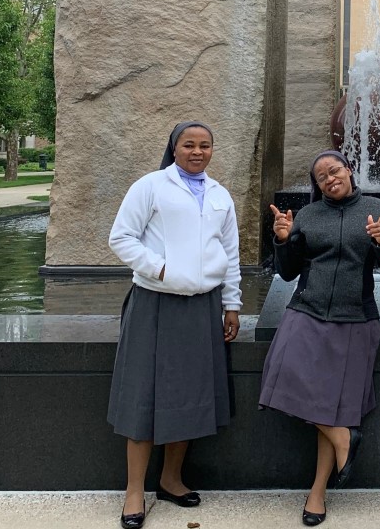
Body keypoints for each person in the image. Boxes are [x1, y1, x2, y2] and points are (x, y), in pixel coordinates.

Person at [108, 121, 241, 529]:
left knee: (189, 395)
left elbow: (230, 252)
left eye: (204, 146)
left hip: (203, 306)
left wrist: (232, 304)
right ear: (174, 147)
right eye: (188, 145)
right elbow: (121, 237)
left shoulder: (220, 195)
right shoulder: (150, 186)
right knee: (143, 396)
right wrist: (160, 269)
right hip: (156, 302)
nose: (197, 152)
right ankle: (134, 491)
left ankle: (170, 479)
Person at [259, 150, 380, 526]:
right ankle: (343, 438)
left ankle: (317, 493)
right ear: (317, 184)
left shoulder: (375, 207)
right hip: (306, 310)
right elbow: (288, 273)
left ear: (349, 170)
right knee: (280, 372)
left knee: (332, 405)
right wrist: (284, 240)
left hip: (355, 318)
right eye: (321, 176)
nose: (329, 178)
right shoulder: (306, 215)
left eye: (334, 170)